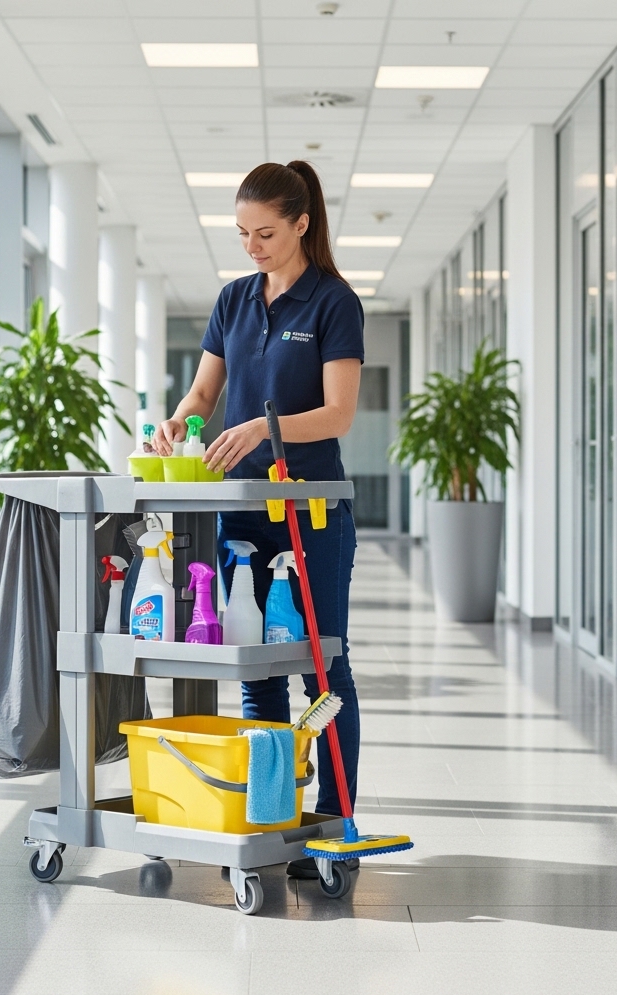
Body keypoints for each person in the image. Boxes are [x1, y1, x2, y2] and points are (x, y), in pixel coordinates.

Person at [155, 161, 364, 879]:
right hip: (242, 508)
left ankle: (333, 822)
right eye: (242, 233)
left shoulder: (333, 303)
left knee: (321, 665)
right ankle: (269, 815)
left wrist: (263, 430)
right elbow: (205, 392)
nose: (252, 245)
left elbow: (338, 412)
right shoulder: (234, 300)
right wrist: (176, 425)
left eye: (266, 233)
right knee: (255, 671)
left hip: (311, 509)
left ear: (302, 223)